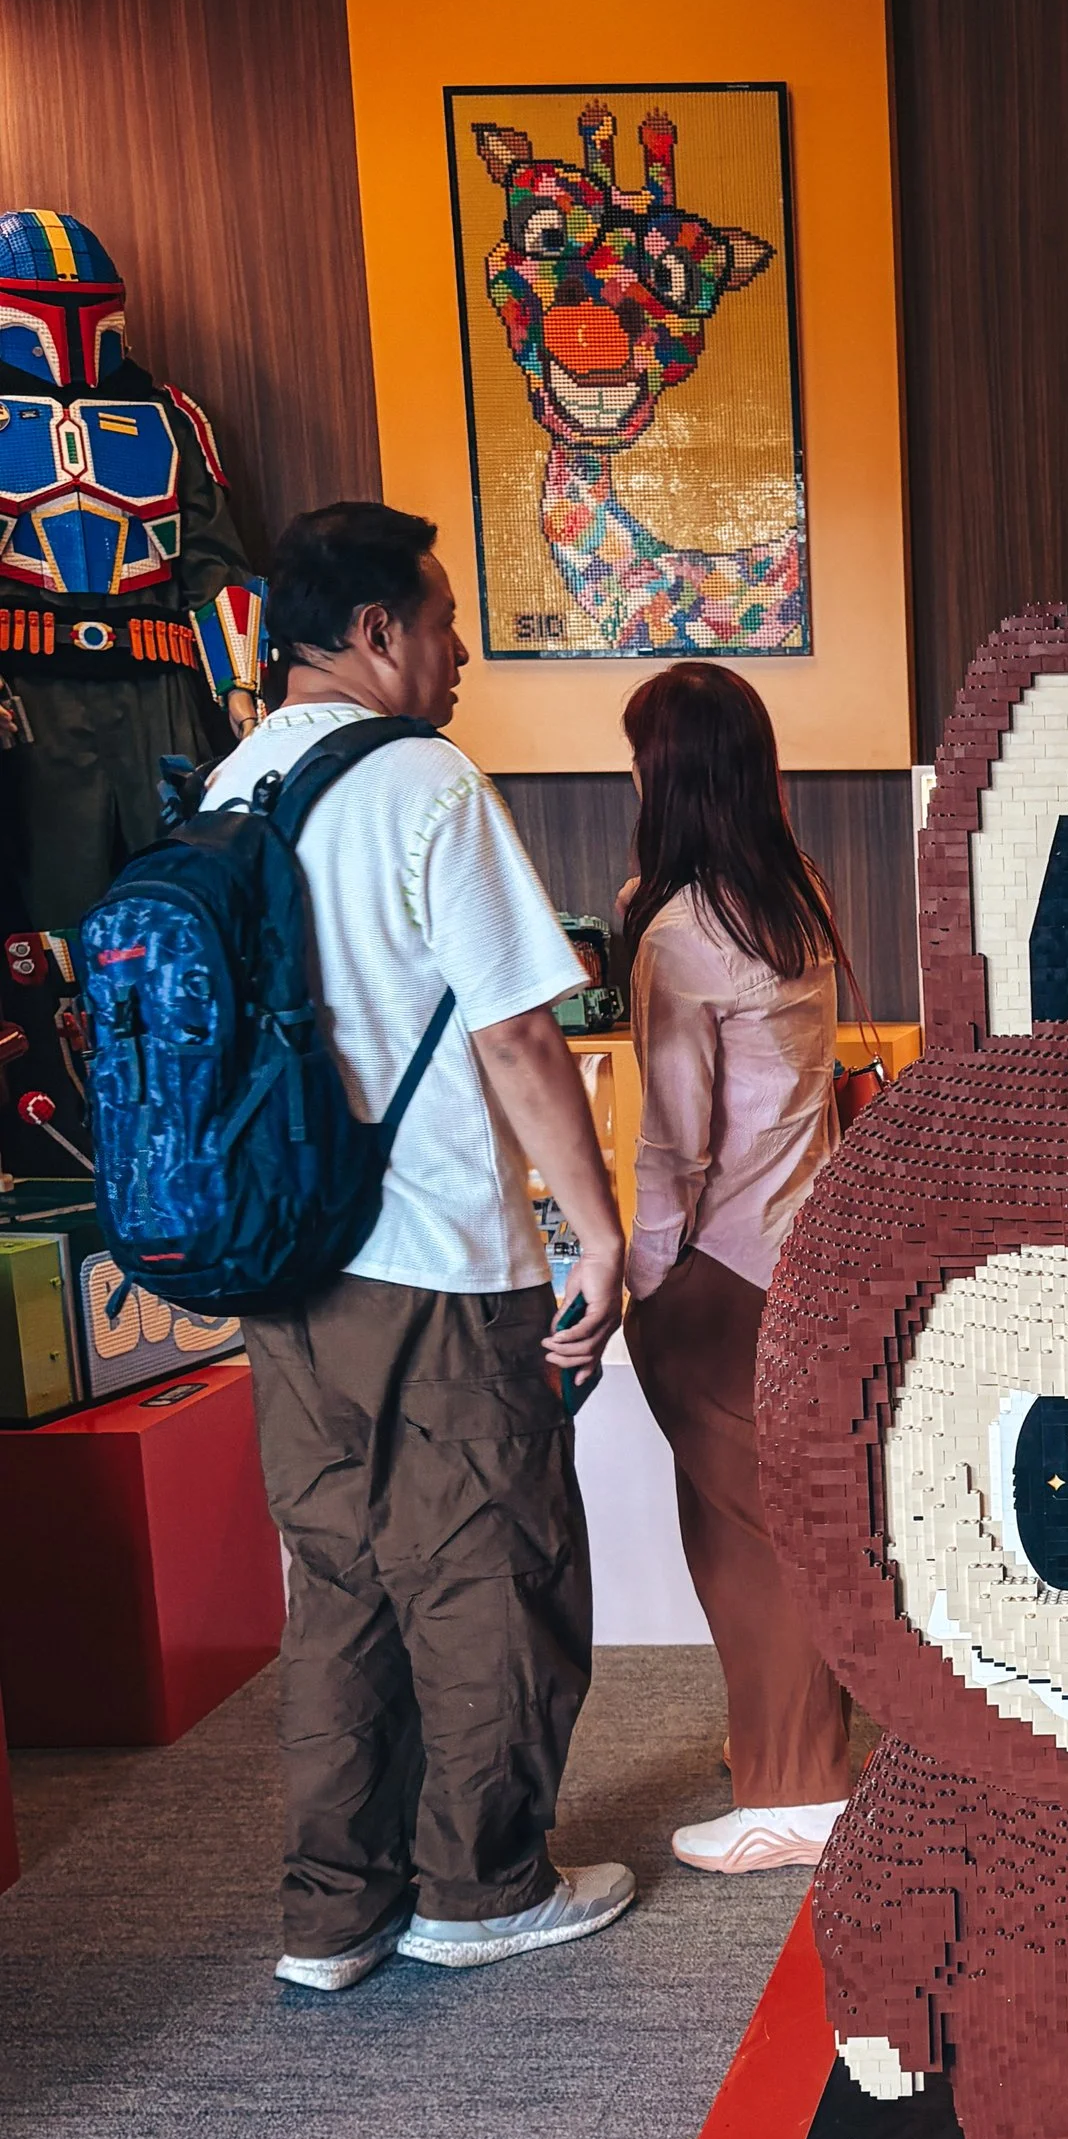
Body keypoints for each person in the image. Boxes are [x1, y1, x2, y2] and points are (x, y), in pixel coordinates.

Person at [209, 502, 635, 1991]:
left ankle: (333, 1911)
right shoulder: (424, 785)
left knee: (337, 1581)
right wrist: (593, 1229)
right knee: (488, 1568)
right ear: (378, 630)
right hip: (436, 1258)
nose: (458, 652)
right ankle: (480, 1884)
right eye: (444, 620)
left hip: (282, 1255)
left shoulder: (235, 781)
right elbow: (519, 1029)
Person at [614, 661, 857, 1873]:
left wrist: (641, 1284)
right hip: (807, 1251)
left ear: (666, 778)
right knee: (794, 1521)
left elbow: (670, 1142)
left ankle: (794, 1794)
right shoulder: (795, 897)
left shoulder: (677, 930)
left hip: (711, 1270)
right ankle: (783, 1750)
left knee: (744, 1537)